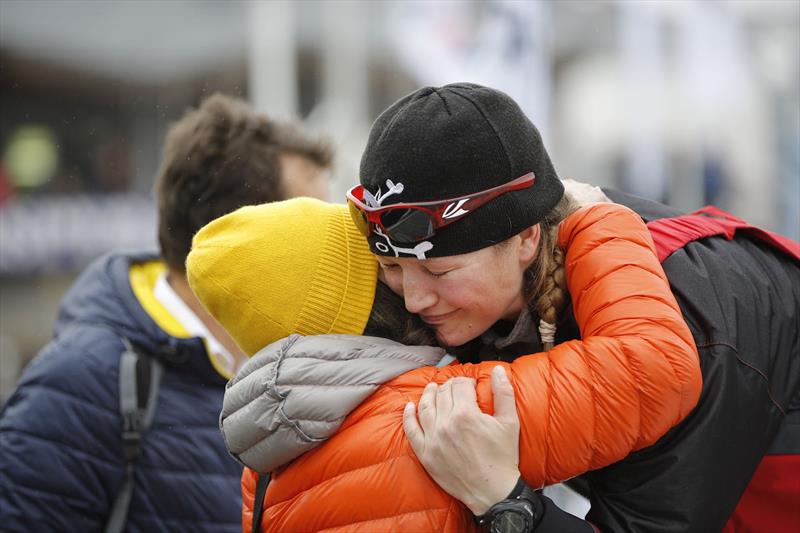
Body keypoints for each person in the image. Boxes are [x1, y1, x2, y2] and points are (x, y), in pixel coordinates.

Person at [348, 83, 800, 532]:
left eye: (440, 273)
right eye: (391, 266)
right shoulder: (498, 279)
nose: (413, 298)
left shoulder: (690, 328)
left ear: (526, 238)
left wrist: (506, 503)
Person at [186, 192, 701, 532]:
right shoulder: (440, 412)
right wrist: (598, 223)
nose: (416, 292)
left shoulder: (265, 468)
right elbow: (650, 369)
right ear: (368, 304)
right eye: (389, 267)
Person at [0, 94, 332, 532]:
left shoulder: (302, 366)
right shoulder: (82, 381)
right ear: (237, 242)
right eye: (311, 230)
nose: (333, 253)